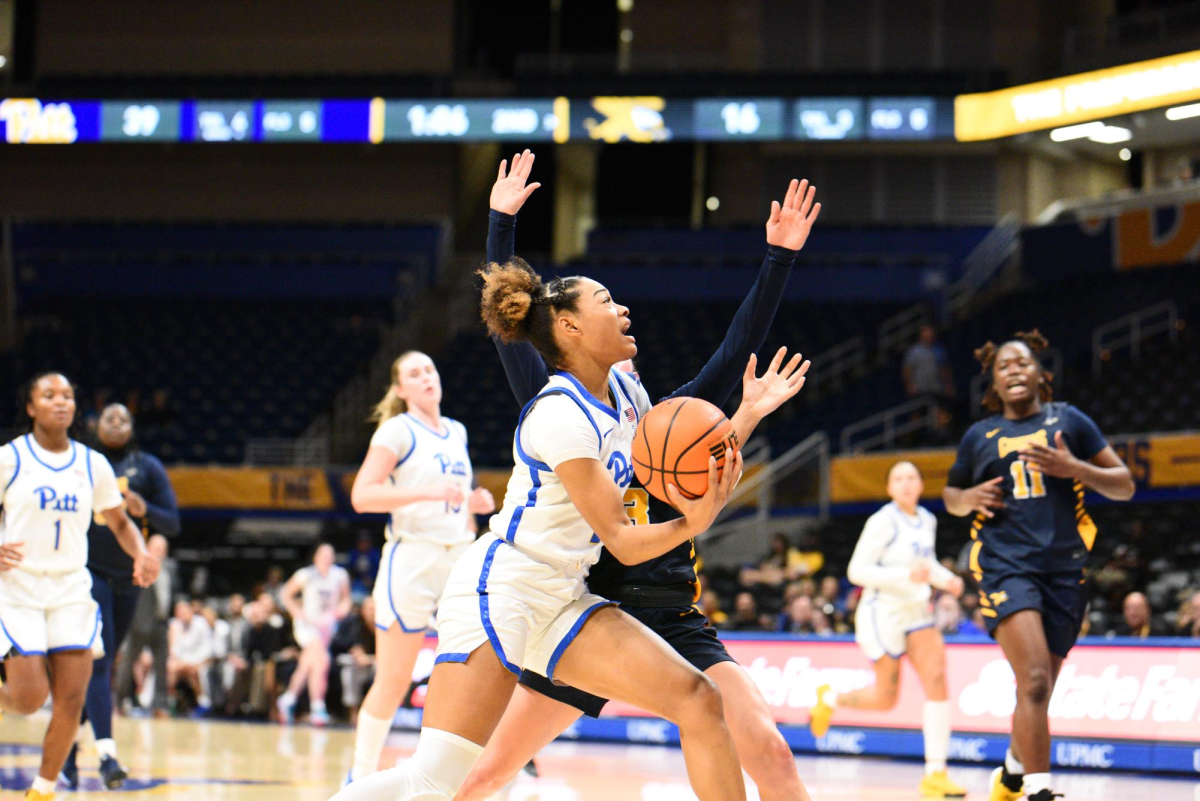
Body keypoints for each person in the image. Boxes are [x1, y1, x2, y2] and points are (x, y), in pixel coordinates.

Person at [329, 166, 809, 801]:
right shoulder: (557, 409)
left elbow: (726, 363)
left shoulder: (631, 398)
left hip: (569, 593)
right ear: (571, 328)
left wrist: (778, 259)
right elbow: (619, 532)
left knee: (700, 700)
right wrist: (500, 227)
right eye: (608, 301)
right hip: (508, 586)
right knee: (439, 779)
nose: (624, 307)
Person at [942, 331, 1134, 801]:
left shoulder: (1068, 420)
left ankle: (1011, 772)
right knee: (1032, 680)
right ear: (994, 382)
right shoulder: (979, 435)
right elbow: (950, 497)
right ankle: (1039, 791)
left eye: (1023, 363)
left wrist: (1078, 469)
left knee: (1038, 691)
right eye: (1004, 366)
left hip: (1066, 569)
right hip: (1005, 567)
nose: (1014, 371)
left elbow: (1124, 484)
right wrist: (967, 498)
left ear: (1040, 374)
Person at [0, 371, 159, 801]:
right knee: (30, 698)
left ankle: (43, 790)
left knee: (72, 697)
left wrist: (141, 554)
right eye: (49, 395)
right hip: (20, 590)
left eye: (68, 395)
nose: (61, 402)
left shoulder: (92, 464)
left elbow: (121, 522)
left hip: (71, 588)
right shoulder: (10, 459)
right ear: (31, 407)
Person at [344, 350, 495, 781]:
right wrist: (428, 493)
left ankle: (459, 768)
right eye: (414, 373)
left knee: (473, 667)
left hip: (458, 555)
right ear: (399, 389)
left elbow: (454, 498)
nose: (426, 377)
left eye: (430, 368)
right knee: (393, 679)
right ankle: (359, 775)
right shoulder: (397, 430)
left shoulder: (457, 432)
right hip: (412, 558)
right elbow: (363, 496)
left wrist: (473, 502)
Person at [809, 461, 967, 798]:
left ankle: (935, 773)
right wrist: (902, 577)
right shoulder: (882, 521)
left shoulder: (927, 519)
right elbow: (857, 571)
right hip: (882, 614)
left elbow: (926, 565)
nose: (907, 483)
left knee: (937, 680)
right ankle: (831, 697)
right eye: (899, 478)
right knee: (885, 700)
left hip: (917, 611)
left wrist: (946, 579)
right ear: (890, 489)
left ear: (921, 485)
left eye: (912, 477)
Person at [61, 403, 180, 789]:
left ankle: (66, 750)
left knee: (102, 662)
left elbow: (172, 523)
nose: (115, 423)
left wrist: (146, 510)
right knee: (99, 659)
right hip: (86, 572)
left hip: (130, 575)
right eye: (109, 418)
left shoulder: (148, 468)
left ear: (132, 427)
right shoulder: (83, 462)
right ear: (97, 425)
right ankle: (107, 756)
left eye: (123, 418)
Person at [278, 543, 351, 726]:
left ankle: (288, 699)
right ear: (315, 557)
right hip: (307, 625)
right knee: (322, 661)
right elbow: (285, 594)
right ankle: (317, 706)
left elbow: (346, 600)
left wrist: (339, 612)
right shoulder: (306, 574)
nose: (327, 558)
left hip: (326, 626)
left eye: (330, 555)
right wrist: (296, 611)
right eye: (323, 555)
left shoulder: (340, 575)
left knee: (311, 662)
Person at [116, 534, 174, 716]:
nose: (159, 552)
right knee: (127, 665)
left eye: (162, 549)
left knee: (161, 667)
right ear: (148, 548)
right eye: (156, 548)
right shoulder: (138, 565)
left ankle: (160, 705)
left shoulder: (169, 569)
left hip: (161, 625)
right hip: (139, 625)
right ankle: (119, 702)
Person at [332, 597, 378, 724]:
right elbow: (357, 653)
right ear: (363, 610)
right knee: (351, 670)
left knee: (381, 669)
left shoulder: (384, 626)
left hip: (375, 664)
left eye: (375, 609)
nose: (373, 612)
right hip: (354, 664)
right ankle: (354, 713)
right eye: (370, 609)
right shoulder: (354, 624)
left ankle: (377, 713)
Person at [167, 599, 214, 712]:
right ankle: (169, 702)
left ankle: (202, 703)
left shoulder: (201, 623)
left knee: (194, 671)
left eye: (185, 613)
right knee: (170, 668)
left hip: (199, 660)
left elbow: (207, 648)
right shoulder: (175, 625)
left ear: (191, 612)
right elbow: (173, 650)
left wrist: (194, 662)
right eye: (180, 614)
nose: (183, 616)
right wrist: (181, 662)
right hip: (180, 661)